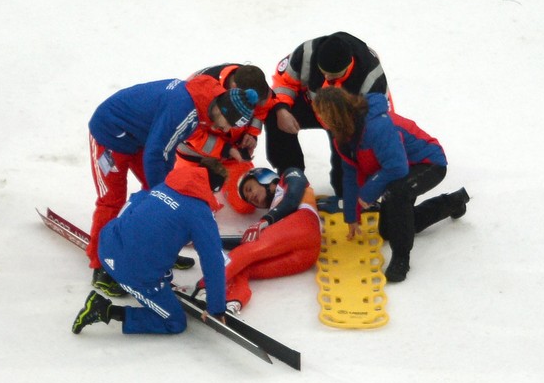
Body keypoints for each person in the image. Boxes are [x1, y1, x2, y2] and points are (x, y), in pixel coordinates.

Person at [87, 75, 258, 296]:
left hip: (141, 138)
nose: (225, 130)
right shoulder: (184, 108)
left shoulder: (208, 101)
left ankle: (158, 247)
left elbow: (183, 137)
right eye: (228, 125)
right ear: (223, 111)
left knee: (164, 192)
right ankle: (100, 265)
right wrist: (163, 194)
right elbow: (156, 153)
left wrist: (225, 151)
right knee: (112, 200)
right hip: (110, 132)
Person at [312, 86, 469, 282]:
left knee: (396, 193)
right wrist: (352, 216)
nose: (320, 119)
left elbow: (397, 168)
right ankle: (453, 202)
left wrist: (366, 195)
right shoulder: (343, 137)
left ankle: (401, 258)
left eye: (321, 114)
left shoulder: (377, 126)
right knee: (389, 229)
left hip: (429, 162)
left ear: (335, 116)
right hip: (401, 166)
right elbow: (351, 175)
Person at [72, 159, 229, 335]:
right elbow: (213, 260)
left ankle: (124, 274)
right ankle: (105, 310)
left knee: (151, 240)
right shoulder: (200, 213)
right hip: (134, 271)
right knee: (175, 322)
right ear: (213, 190)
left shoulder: (163, 186)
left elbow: (131, 205)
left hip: (106, 247)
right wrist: (216, 308)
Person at [265, 32, 392, 197]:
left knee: (346, 183)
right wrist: (282, 109)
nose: (327, 77)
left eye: (333, 75)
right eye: (323, 72)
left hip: (348, 123)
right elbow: (285, 81)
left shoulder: (370, 76)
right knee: (273, 113)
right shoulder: (306, 53)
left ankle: (351, 191)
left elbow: (379, 122)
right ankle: (290, 178)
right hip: (313, 105)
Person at [192, 167, 321, 313]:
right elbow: (249, 242)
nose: (251, 197)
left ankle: (204, 287)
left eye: (249, 189)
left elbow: (292, 198)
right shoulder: (275, 214)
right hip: (306, 255)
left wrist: (266, 220)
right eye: (248, 198)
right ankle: (235, 300)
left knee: (246, 253)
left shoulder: (288, 175)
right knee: (243, 268)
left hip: (302, 223)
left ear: (264, 178)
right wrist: (206, 239)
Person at [176, 63, 274, 213]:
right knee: (182, 203)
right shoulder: (199, 92)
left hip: (231, 157)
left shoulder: (256, 86)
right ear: (234, 87)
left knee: (245, 206)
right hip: (193, 156)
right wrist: (226, 149)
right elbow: (191, 134)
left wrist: (252, 134)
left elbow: (263, 109)